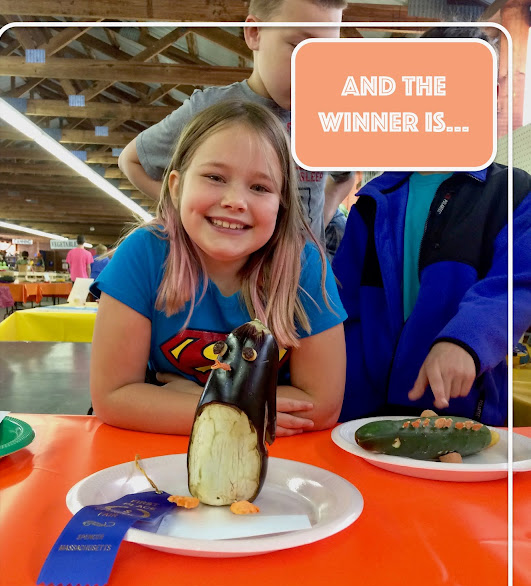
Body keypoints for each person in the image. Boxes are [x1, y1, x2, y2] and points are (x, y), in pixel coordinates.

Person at [90, 100, 347, 436]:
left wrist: (201, 400)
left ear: (281, 204)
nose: (235, 201)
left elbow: (322, 405)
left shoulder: (305, 266)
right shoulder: (144, 254)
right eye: (215, 177)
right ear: (176, 187)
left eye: (260, 187)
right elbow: (113, 397)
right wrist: (247, 409)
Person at [332, 28, 531, 427]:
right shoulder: (372, 200)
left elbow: (516, 285)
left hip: (462, 417)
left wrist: (466, 340)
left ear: (492, 95)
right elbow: (340, 306)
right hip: (360, 417)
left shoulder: (514, 192)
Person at [117, 0, 353, 256]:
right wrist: (192, 213)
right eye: (298, 48)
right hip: (235, 271)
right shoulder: (210, 109)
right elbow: (132, 161)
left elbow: (345, 177)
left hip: (304, 272)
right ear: (255, 33)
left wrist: (318, 225)